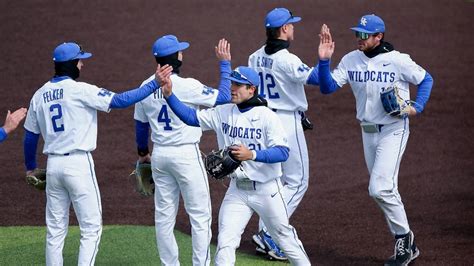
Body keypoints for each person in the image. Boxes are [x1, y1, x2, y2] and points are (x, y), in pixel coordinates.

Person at [157, 64, 311, 266]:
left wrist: (251, 154)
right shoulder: (223, 112)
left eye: (239, 85)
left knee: (285, 238)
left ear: (251, 89)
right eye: (232, 83)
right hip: (236, 191)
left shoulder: (267, 117)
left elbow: (282, 152)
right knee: (225, 243)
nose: (233, 88)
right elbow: (191, 118)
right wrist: (169, 96)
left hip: (267, 191)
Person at [23, 42, 161, 266]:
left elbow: (30, 136)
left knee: (55, 230)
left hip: (54, 167)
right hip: (78, 165)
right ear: (70, 64)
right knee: (91, 227)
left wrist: (30, 166)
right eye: (79, 60)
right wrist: (154, 84)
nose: (82, 63)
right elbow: (120, 100)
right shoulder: (80, 90)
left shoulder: (39, 95)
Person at [318, 14, 434, 265]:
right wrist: (324, 60)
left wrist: (417, 107)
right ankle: (407, 244)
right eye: (356, 34)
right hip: (367, 132)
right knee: (384, 189)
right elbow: (328, 88)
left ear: (378, 36)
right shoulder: (351, 60)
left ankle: (403, 239)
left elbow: (426, 79)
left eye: (363, 35)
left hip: (394, 129)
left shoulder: (397, 60)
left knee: (379, 188)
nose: (358, 38)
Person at [133, 35, 232, 266]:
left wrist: (142, 154)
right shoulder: (188, 85)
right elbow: (224, 97)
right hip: (186, 156)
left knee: (164, 218)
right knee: (200, 216)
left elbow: (140, 125)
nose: (182, 54)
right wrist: (225, 63)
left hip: (160, 156)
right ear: (176, 58)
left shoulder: (145, 86)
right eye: (180, 51)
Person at [247, 7, 320, 260]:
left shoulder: (254, 57)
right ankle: (269, 232)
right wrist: (325, 59)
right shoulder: (288, 59)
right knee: (298, 180)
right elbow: (317, 79)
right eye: (291, 25)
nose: (294, 28)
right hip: (286, 121)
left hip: (264, 119)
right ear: (284, 29)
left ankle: (265, 233)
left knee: (275, 179)